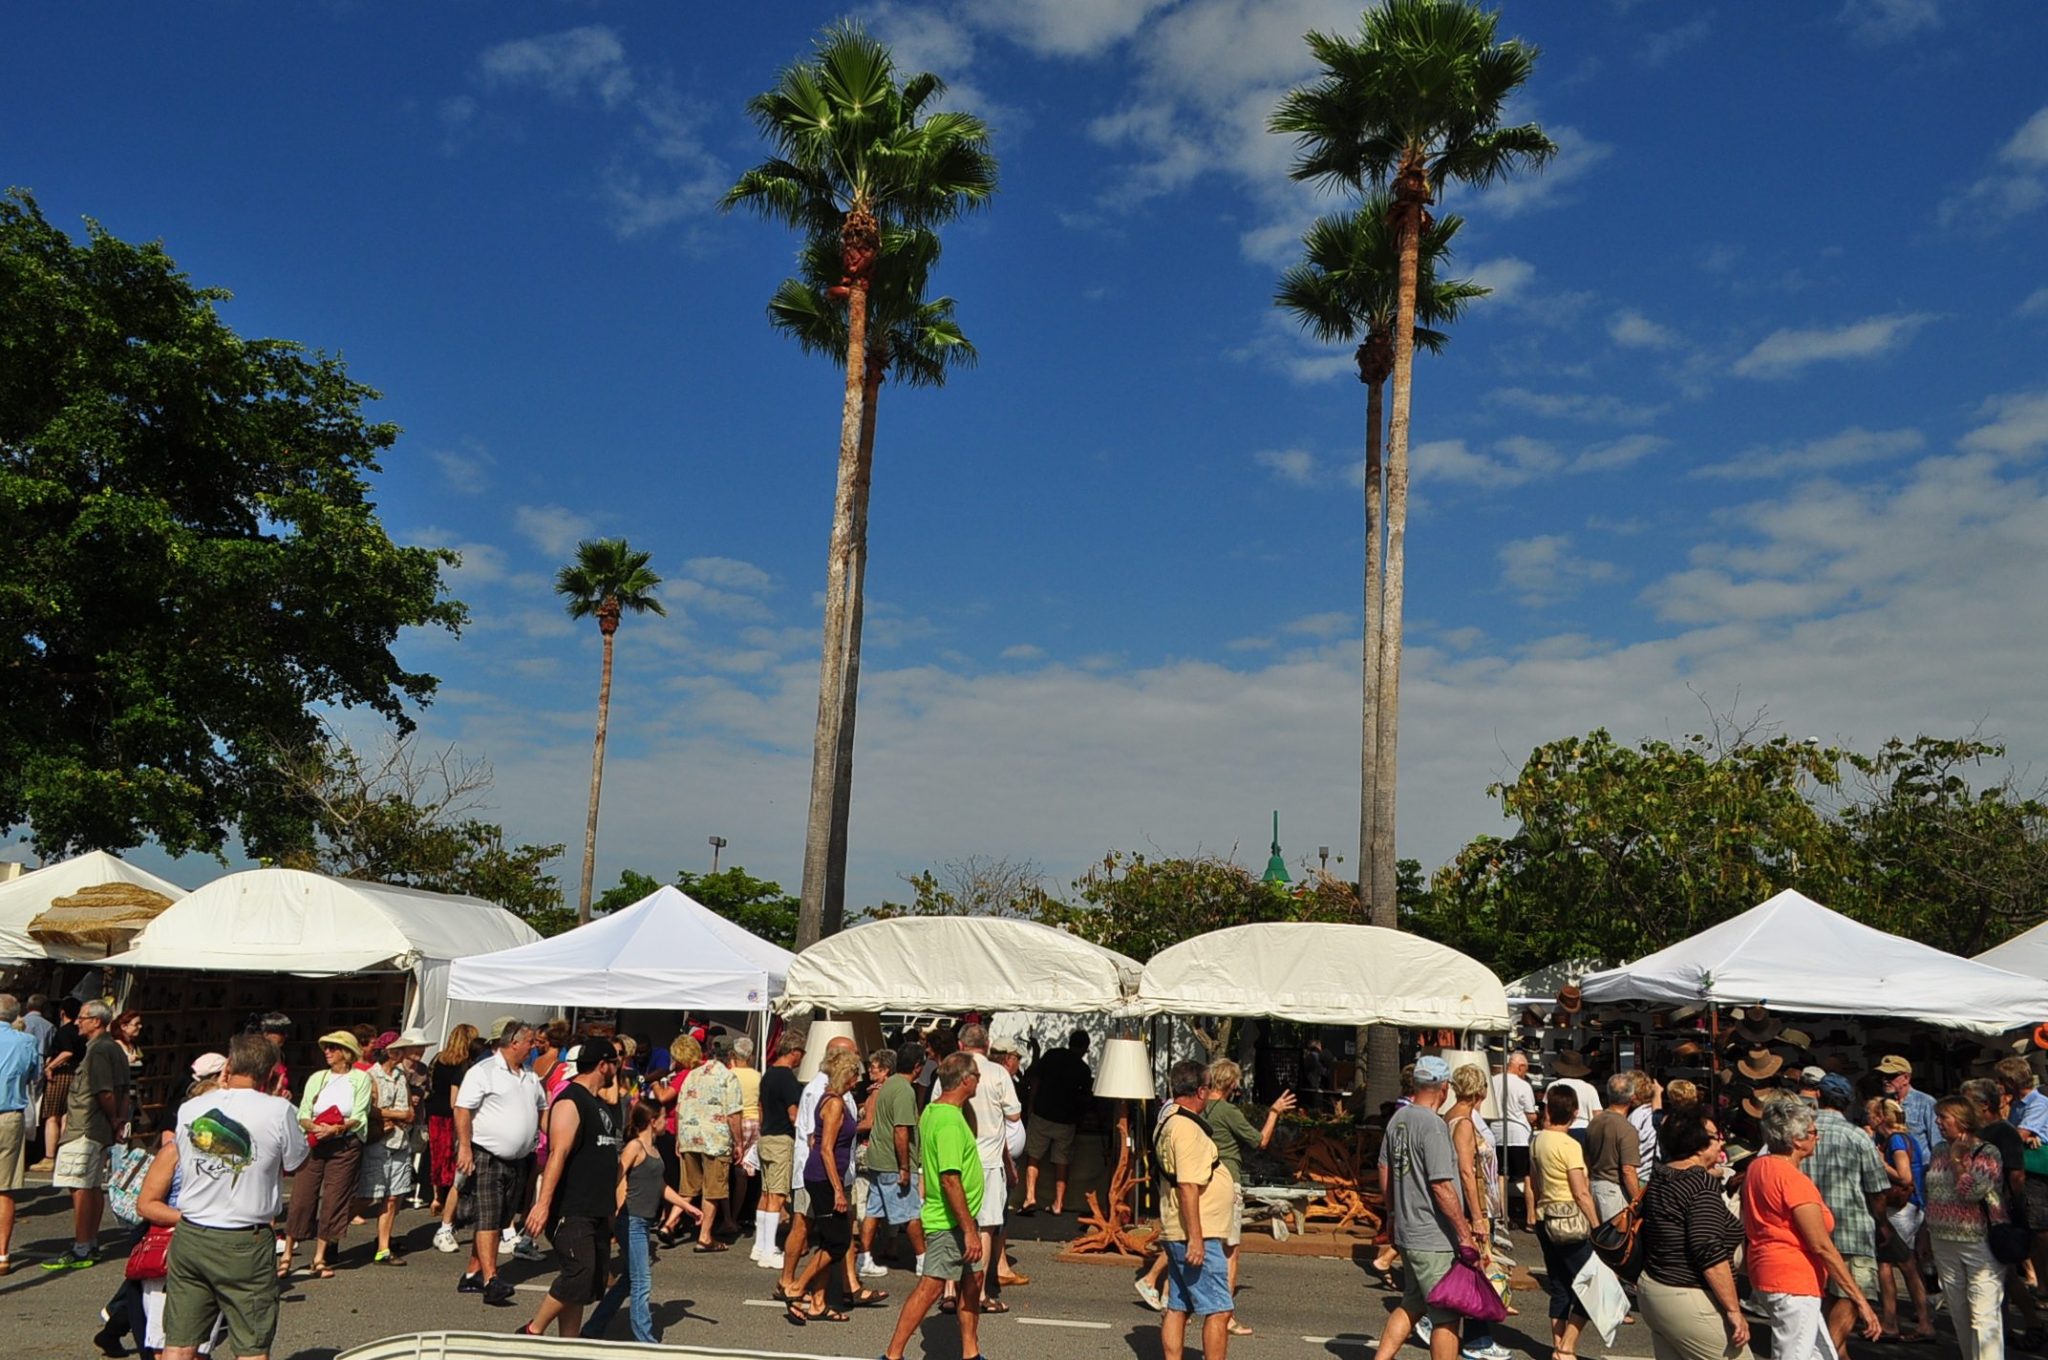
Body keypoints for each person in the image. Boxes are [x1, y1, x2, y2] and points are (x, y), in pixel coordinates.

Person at [146, 1033, 307, 1360]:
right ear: (271, 1073)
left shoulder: (192, 1107)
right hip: (244, 1237)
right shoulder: (279, 1109)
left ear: (229, 1065)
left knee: (179, 1338)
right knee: (250, 1342)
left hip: (192, 1231)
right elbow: (296, 1161)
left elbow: (183, 1150)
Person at [1741, 1094, 1881, 1360]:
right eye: (1814, 1133)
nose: (1818, 1137)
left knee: (1821, 1353)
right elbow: (1821, 1245)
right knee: (1795, 1354)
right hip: (1793, 1278)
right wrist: (1860, 1301)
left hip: (1770, 1271)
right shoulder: (1793, 1180)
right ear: (1797, 1140)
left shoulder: (1758, 1167)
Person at [513, 1037, 625, 1338]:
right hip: (571, 1207)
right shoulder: (570, 1100)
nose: (619, 1067)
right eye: (615, 1061)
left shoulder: (599, 1104)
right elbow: (558, 1153)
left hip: (596, 1207)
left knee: (586, 1285)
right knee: (580, 1272)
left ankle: (569, 1345)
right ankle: (532, 1330)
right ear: (603, 1065)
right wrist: (543, 1203)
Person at [880, 1052, 985, 1360]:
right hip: (951, 1222)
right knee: (931, 1287)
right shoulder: (950, 1122)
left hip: (960, 1221)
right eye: (976, 1075)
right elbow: (950, 1179)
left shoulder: (934, 1110)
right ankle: (892, 1354)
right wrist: (969, 1231)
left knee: (973, 1280)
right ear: (966, 1080)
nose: (979, 1080)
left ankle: (970, 1351)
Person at [1373, 1055, 1474, 1360]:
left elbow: (1384, 1170)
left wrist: (1391, 1214)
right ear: (1444, 1088)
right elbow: (1442, 1186)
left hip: (1407, 1228)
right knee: (1446, 1314)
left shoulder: (1398, 1119)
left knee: (1413, 1302)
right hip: (1433, 1235)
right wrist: (1464, 1233)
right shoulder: (1433, 1125)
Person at [1636, 1109, 1750, 1360]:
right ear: (1697, 1145)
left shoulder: (1662, 1175)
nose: (1721, 1141)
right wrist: (1733, 1310)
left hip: (1655, 1288)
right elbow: (1708, 1251)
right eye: (1715, 1136)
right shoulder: (1699, 1186)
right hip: (1687, 1293)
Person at [585, 1100, 703, 1342]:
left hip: (643, 1222)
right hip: (632, 1222)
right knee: (642, 1281)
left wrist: (687, 1206)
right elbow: (616, 1177)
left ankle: (593, 1328)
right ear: (652, 1121)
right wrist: (615, 1210)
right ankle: (645, 1341)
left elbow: (660, 1186)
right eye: (663, 1117)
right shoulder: (635, 1147)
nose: (666, 1121)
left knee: (629, 1280)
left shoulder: (654, 1150)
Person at [1200, 1057, 1297, 1339]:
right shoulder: (1227, 1111)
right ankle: (1224, 1315)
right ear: (1231, 1084)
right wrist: (1274, 1112)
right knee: (1230, 1250)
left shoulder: (1200, 1106)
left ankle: (1180, 1305)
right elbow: (1260, 1141)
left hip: (1201, 1180)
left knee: (1200, 1243)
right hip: (1226, 1181)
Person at [1152, 1059, 1238, 1360]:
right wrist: (1197, 1238)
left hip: (1178, 1227)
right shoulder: (1186, 1127)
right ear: (1201, 1091)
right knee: (1219, 1309)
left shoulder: (1169, 1118)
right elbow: (1189, 1186)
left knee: (1179, 1305)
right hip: (1196, 1230)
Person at [454, 1020, 545, 1307]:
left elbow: (542, 1108)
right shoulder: (484, 1072)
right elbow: (462, 1110)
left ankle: (473, 1273)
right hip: (487, 1154)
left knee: (500, 1216)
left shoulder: (529, 1074)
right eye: (530, 1042)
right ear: (514, 1042)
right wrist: (465, 1149)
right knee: (489, 1216)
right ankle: (491, 1280)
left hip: (517, 1159)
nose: (534, 1046)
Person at [782, 1047, 875, 1321]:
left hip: (826, 1175)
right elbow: (824, 1149)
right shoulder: (833, 1102)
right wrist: (838, 1190)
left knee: (829, 1239)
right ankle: (797, 1287)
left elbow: (815, 1137)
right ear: (846, 1075)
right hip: (822, 1178)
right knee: (838, 1241)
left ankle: (818, 1302)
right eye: (855, 1075)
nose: (858, 1080)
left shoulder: (836, 1099)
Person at [1806, 1074, 1891, 1358]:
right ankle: (1823, 1353)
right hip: (1851, 1228)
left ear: (1818, 1096)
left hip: (1810, 1229)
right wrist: (1881, 1222)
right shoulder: (1857, 1136)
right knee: (1853, 1296)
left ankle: (1831, 1351)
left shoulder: (1803, 1133)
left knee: (1829, 1297)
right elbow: (1878, 1190)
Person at [1924, 1094, 2008, 1360]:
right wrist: (1925, 1235)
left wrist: (1959, 1160)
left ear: (1962, 1120)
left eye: (1943, 1117)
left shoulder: (1987, 1153)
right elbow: (1933, 1194)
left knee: (1983, 1315)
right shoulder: (1938, 1150)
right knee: (1959, 1313)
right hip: (1943, 1239)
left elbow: (1972, 1192)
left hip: (1978, 1240)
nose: (1938, 1122)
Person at [47, 998, 129, 1270]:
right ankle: (89, 1241)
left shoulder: (99, 1051)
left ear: (97, 1021)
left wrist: (114, 1117)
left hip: (86, 1126)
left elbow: (105, 1090)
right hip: (96, 1128)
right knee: (91, 1185)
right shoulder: (111, 1048)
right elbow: (122, 1088)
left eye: (83, 1017)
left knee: (80, 1185)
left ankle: (82, 1245)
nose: (78, 1022)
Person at [280, 1030, 369, 1279]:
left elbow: (360, 1114)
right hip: (316, 1141)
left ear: (346, 1053)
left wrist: (338, 1128)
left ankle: (320, 1256)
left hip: (344, 1143)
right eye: (326, 1048)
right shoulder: (318, 1077)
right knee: (302, 1196)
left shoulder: (360, 1079)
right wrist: (315, 1128)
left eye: (333, 1048)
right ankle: (287, 1253)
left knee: (335, 1198)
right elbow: (303, 1112)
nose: (327, 1052)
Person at [1443, 1062, 1511, 1360]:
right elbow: (1467, 1171)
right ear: (1480, 1090)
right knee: (1478, 1273)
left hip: (1470, 1205)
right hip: (1474, 1207)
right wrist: (1478, 1216)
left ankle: (1473, 1335)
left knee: (1471, 1271)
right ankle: (1478, 1340)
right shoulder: (1465, 1123)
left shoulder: (1450, 1117)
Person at [1531, 1083, 1600, 1360]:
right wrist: (1597, 1224)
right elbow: (1580, 1191)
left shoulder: (1537, 1139)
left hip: (1544, 1216)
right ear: (1574, 1112)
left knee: (1560, 1285)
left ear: (1548, 1109)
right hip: (1570, 1220)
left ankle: (1559, 1348)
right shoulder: (1570, 1145)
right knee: (1592, 1282)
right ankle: (1567, 1346)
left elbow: (1534, 1180)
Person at [960, 1022, 1024, 1309]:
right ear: (986, 1047)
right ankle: (979, 1292)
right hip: (988, 1160)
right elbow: (1014, 1115)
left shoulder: (950, 1068)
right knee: (985, 1227)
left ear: (962, 1045)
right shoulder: (998, 1073)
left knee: (956, 1224)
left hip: (958, 1158)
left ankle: (951, 1291)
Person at [1867, 1095, 1935, 1343]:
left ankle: (1892, 1322)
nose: (1868, 1118)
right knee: (1907, 1263)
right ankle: (1919, 1320)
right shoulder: (1907, 1138)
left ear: (1882, 1117)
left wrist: (1878, 1161)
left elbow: (1904, 1176)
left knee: (1892, 1264)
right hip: (1911, 1207)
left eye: (1872, 1113)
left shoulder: (1895, 1140)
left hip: (1901, 1209)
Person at [859, 1044, 926, 1278]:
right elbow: (901, 1131)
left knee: (874, 1210)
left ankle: (864, 1257)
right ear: (917, 1067)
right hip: (892, 1161)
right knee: (910, 1213)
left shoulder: (887, 1085)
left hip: (878, 1157)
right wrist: (905, 1166)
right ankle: (922, 1260)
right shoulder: (904, 1090)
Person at [675, 1033, 742, 1252]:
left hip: (690, 1136)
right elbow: (733, 1114)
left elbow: (680, 1107)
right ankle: (705, 1236)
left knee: (690, 1186)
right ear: (730, 1055)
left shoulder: (692, 1074)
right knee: (713, 1189)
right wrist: (739, 1143)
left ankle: (670, 1223)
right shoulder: (728, 1077)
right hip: (715, 1138)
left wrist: (679, 1137)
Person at [1020, 1029, 1093, 1217]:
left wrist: (1031, 1105)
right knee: (1062, 1161)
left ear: (1069, 1042)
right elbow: (1085, 1100)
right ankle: (1058, 1203)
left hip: (1042, 1113)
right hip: (1066, 1120)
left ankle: (1030, 1196)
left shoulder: (1052, 1055)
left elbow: (1035, 1080)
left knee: (1034, 1156)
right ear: (1085, 1048)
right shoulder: (1084, 1070)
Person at [359, 1031, 415, 1266]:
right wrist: (398, 1114)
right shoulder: (371, 1076)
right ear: (389, 1051)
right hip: (380, 1140)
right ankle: (331, 1232)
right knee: (369, 1196)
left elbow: (409, 1104)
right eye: (399, 1049)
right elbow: (368, 1108)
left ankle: (383, 1246)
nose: (404, 1053)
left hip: (401, 1140)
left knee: (394, 1196)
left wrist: (408, 1113)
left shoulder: (402, 1075)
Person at [754, 1030, 804, 1270]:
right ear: (794, 1052)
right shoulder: (788, 1079)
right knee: (778, 1194)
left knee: (765, 1193)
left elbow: (761, 1107)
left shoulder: (768, 1075)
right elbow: (793, 1114)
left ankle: (759, 1245)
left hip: (765, 1137)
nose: (802, 1058)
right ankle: (768, 1249)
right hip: (782, 1139)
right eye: (801, 1053)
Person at [0, 993, 36, 1275]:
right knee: (5, 1187)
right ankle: (1, 1253)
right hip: (10, 1114)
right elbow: (34, 1076)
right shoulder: (26, 1042)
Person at [1586, 1071, 1642, 1224]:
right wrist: (1638, 1201)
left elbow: (1587, 1159)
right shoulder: (1625, 1128)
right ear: (1632, 1098)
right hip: (1613, 1191)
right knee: (1615, 1241)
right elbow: (1628, 1170)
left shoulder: (1595, 1122)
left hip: (1594, 1185)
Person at [1491, 1052, 1538, 1229]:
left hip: (1496, 1131)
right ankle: (1531, 1218)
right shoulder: (1523, 1085)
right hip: (1518, 1133)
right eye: (1525, 1069)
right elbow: (1531, 1115)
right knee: (1527, 1176)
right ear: (1520, 1067)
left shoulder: (1494, 1081)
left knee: (1501, 1176)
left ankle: (1503, 1215)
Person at [39, 995, 86, 1167]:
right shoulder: (82, 1031)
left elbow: (67, 1052)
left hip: (62, 1074)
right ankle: (63, 1155)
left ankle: (49, 1157)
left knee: (52, 1116)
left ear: (62, 1012)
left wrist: (50, 1066)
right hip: (78, 1073)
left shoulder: (65, 1031)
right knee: (68, 1115)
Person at [1877, 1055, 1941, 1161]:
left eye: (1890, 1076)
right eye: (1883, 1076)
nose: (1885, 1080)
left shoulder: (1925, 1102)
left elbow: (1937, 1142)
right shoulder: (1883, 1104)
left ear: (1906, 1078)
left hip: (1920, 1170)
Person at [729, 1034, 761, 1238]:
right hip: (755, 1122)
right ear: (750, 1056)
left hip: (736, 1121)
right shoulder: (758, 1076)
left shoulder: (729, 1075)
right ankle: (740, 1213)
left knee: (730, 1171)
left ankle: (728, 1215)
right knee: (747, 1172)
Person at [256, 1014, 293, 1101]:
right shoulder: (256, 1059)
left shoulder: (280, 1057)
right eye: (281, 1032)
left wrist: (285, 1093)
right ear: (266, 1034)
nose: (285, 1036)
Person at [112, 1010, 146, 1077]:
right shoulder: (115, 1046)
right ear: (124, 1027)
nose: (140, 1026)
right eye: (136, 1024)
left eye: (140, 1024)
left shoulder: (135, 1046)